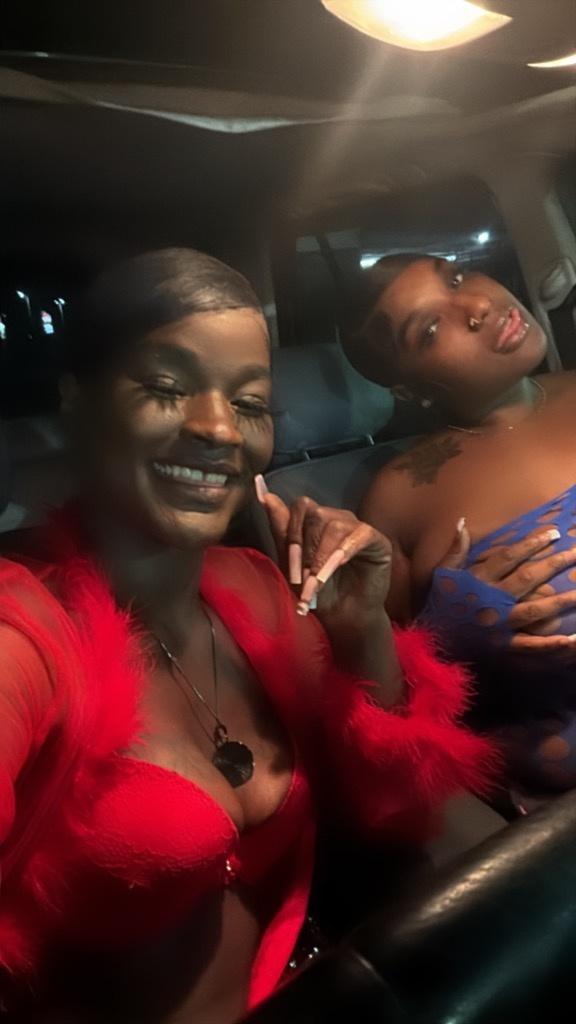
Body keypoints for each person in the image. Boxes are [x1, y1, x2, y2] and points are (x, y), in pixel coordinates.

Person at [0, 249, 493, 1023]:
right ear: (78, 402)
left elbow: (398, 815)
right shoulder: (22, 633)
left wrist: (362, 631)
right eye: (166, 389)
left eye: (251, 402)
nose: (220, 429)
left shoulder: (257, 590)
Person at [341, 252, 576, 803]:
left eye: (456, 276)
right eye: (429, 328)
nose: (477, 305)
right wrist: (444, 640)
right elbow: (393, 703)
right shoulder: (399, 497)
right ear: (410, 390)